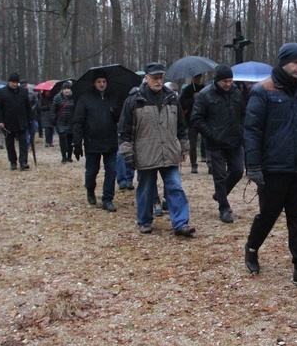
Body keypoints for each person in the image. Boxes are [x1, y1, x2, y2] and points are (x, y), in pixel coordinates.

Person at [243, 42, 297, 288]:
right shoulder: (263, 90)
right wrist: (254, 166)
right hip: (273, 168)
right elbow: (252, 131)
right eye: (295, 63)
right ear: (283, 63)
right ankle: (252, 247)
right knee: (268, 215)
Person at [118, 62, 195, 237]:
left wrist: (184, 148)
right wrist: (127, 154)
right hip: (146, 153)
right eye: (155, 78)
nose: (158, 81)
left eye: (161, 77)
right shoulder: (134, 100)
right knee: (145, 189)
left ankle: (181, 223)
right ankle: (145, 221)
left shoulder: (172, 98)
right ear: (146, 78)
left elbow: (181, 126)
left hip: (169, 151)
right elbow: (124, 130)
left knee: (175, 187)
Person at [191, 64, 246, 224]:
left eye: (230, 81)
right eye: (225, 81)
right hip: (215, 143)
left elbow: (243, 113)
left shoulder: (236, 92)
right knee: (219, 176)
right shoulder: (205, 95)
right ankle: (224, 207)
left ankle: (220, 193)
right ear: (217, 80)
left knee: (237, 170)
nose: (228, 84)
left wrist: (241, 130)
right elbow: (196, 119)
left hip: (235, 140)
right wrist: (211, 135)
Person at [72, 70, 120, 212]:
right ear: (94, 83)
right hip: (92, 141)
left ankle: (107, 199)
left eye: (104, 82)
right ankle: (90, 189)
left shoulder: (113, 98)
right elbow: (78, 122)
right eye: (99, 82)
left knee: (111, 171)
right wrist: (77, 143)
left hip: (110, 141)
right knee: (92, 171)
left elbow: (121, 118)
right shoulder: (85, 99)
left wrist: (116, 112)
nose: (102, 84)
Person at [0, 73, 33, 170]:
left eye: (16, 82)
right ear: (9, 82)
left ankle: (23, 162)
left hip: (21, 121)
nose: (15, 84)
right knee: (10, 143)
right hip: (8, 122)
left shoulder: (23, 92)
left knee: (23, 143)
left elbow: (28, 107)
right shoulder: (1, 92)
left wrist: (30, 119)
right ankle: (13, 162)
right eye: (13, 82)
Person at [179, 73, 206, 173]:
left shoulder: (204, 89)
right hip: (191, 121)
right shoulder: (187, 90)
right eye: (197, 78)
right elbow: (181, 104)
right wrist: (192, 99)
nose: (199, 79)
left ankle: (210, 163)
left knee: (207, 142)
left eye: (200, 77)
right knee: (193, 145)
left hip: (203, 120)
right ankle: (193, 164)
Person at [50, 81, 75, 163]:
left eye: (68, 88)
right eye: (65, 89)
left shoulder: (74, 98)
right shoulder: (57, 97)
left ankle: (69, 156)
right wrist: (53, 119)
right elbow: (53, 109)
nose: (66, 90)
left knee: (70, 139)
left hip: (71, 121)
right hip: (60, 121)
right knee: (62, 138)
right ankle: (64, 156)